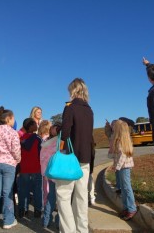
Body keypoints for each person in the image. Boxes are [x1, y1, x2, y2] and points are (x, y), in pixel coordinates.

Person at [56, 78, 94, 233]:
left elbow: (65, 133)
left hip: (70, 158)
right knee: (81, 196)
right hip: (85, 158)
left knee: (64, 195)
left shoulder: (70, 108)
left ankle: (68, 230)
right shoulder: (89, 110)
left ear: (73, 90)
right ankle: (82, 229)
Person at [112, 120, 137, 221]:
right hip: (123, 167)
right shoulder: (120, 140)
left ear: (118, 129)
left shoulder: (120, 141)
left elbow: (122, 156)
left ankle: (131, 208)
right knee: (123, 188)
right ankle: (126, 208)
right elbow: (117, 156)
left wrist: (116, 167)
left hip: (124, 167)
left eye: (114, 127)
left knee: (126, 188)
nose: (113, 128)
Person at [18, 118, 42, 218]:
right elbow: (41, 153)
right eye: (35, 124)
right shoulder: (37, 138)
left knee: (24, 189)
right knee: (37, 189)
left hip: (24, 168)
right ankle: (37, 210)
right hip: (36, 167)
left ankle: (23, 209)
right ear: (31, 126)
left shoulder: (21, 138)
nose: (37, 126)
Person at [40, 122, 61, 228]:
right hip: (61, 173)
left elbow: (42, 158)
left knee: (51, 197)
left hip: (50, 172)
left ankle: (46, 221)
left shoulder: (46, 141)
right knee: (61, 199)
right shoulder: (62, 141)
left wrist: (45, 172)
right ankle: (59, 223)